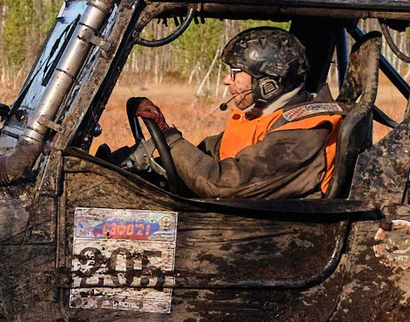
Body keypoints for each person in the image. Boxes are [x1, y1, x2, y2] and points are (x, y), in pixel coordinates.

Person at [122, 26, 342, 200]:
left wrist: (168, 138)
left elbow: (222, 183)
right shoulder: (266, 117)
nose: (227, 80)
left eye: (235, 73)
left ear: (267, 83)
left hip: (271, 241)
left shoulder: (301, 135)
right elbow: (212, 153)